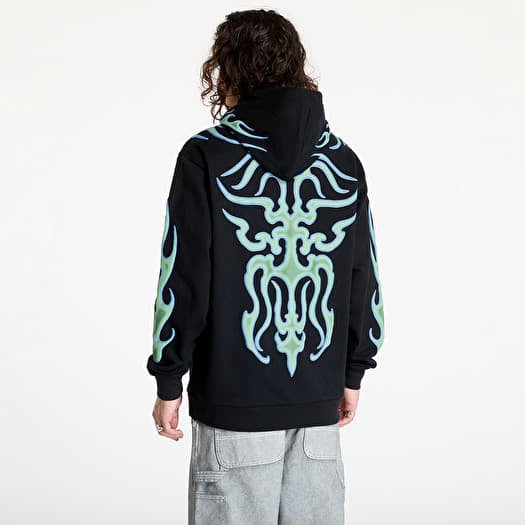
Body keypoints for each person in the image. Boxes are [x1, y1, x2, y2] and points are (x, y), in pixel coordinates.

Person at [146, 8, 385, 525]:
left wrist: (169, 378)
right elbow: (362, 276)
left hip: (234, 409)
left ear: (227, 69)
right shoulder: (344, 162)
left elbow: (184, 276)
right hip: (318, 410)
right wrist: (353, 371)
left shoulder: (206, 156)